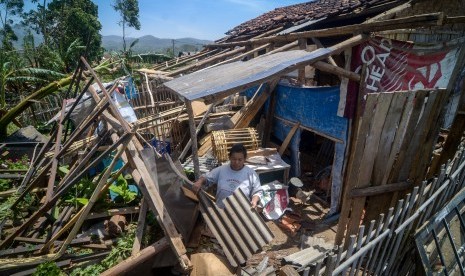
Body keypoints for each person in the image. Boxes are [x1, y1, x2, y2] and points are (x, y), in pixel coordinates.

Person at [193, 143, 262, 209]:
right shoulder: (221, 170)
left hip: (242, 214)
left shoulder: (251, 173)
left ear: (244, 159)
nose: (236, 162)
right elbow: (206, 177)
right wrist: (200, 181)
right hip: (221, 211)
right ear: (229, 157)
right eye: (234, 159)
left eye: (240, 160)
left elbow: (257, 191)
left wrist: (254, 200)